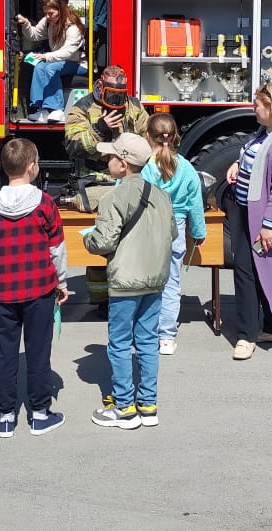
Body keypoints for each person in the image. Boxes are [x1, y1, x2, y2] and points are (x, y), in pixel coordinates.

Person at [0, 137, 70, 438]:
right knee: (38, 352)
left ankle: (5, 415)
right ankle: (40, 413)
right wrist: (61, 282)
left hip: (3, 292)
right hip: (39, 290)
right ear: (32, 168)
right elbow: (56, 248)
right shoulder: (45, 204)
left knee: (4, 353)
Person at [83, 133, 176, 429]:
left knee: (120, 343)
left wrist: (89, 242)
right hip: (155, 278)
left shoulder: (114, 197)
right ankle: (148, 404)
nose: (107, 160)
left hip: (125, 280)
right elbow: (172, 233)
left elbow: (104, 241)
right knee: (148, 340)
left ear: (123, 165)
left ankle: (124, 408)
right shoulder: (161, 195)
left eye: (111, 157)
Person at [223, 83, 272, 361]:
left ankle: (246, 336)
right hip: (248, 210)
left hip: (260, 218)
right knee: (265, 270)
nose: (253, 107)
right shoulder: (269, 132)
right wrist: (238, 165)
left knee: (246, 273)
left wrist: (269, 225)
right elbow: (253, 156)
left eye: (258, 104)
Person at [64, 65, 149, 311]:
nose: (116, 100)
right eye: (111, 94)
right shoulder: (82, 109)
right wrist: (99, 129)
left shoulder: (133, 107)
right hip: (96, 181)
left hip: (130, 180)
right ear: (100, 87)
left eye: (120, 95)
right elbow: (73, 145)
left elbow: (147, 138)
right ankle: (101, 300)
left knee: (130, 243)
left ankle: (129, 295)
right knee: (103, 240)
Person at [141, 113, 206, 356]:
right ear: (176, 137)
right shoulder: (187, 168)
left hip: (148, 228)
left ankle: (146, 333)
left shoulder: (145, 167)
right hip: (176, 228)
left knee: (148, 284)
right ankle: (166, 337)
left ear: (148, 136)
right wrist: (198, 232)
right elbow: (195, 204)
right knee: (171, 284)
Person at [15, 0, 87, 124]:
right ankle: (40, 109)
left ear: (61, 10)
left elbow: (67, 52)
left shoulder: (73, 27)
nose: (48, 17)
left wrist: (46, 56)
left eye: (51, 14)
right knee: (39, 66)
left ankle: (56, 109)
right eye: (46, 13)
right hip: (58, 60)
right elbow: (34, 35)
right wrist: (26, 24)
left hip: (78, 64)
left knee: (50, 68)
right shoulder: (48, 21)